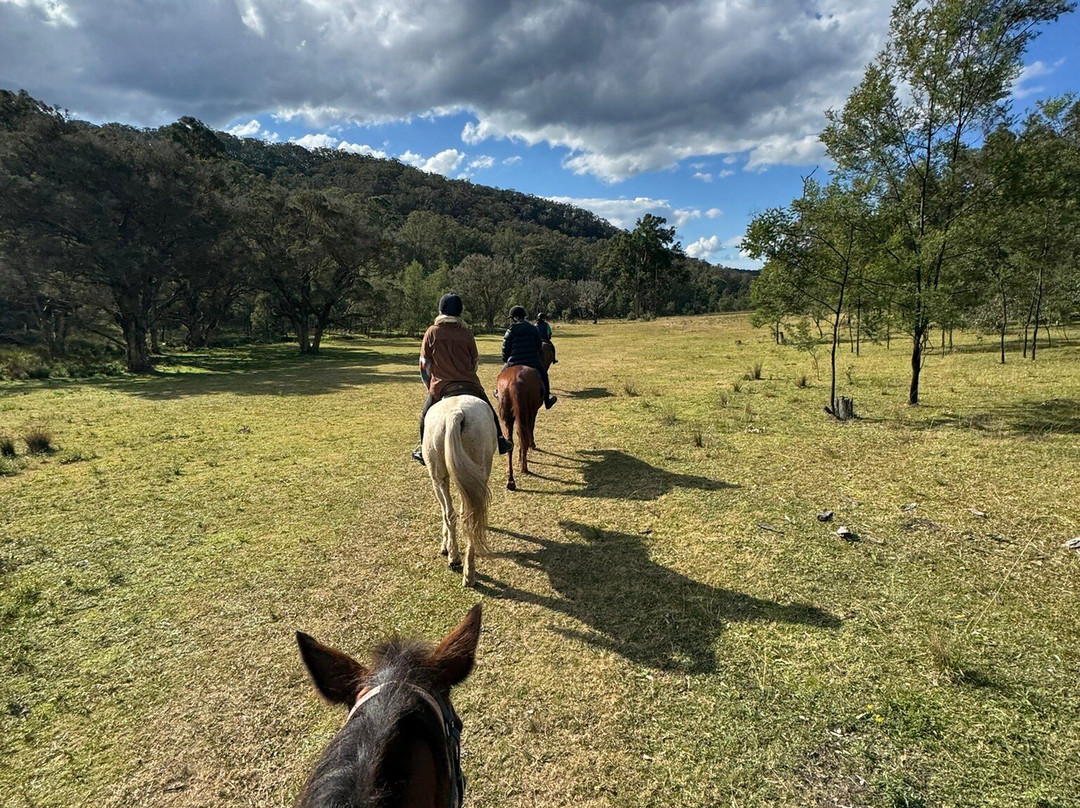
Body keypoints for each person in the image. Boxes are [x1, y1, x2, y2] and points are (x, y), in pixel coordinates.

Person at [413, 293, 513, 465]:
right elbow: (475, 362)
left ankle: (423, 450)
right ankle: (501, 440)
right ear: (460, 312)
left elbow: (424, 365)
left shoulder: (431, 332)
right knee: (490, 411)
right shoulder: (466, 333)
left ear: (440, 310)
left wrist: (430, 386)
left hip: (441, 386)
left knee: (424, 416)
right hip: (470, 385)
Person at [502, 305, 557, 409]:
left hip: (514, 361)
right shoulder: (532, 328)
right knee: (544, 376)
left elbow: (505, 349)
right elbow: (538, 345)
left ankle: (498, 393)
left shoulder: (510, 330)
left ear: (515, 318)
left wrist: (506, 360)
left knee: (501, 374)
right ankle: (547, 401)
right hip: (532, 361)